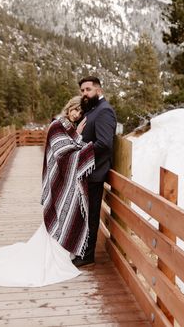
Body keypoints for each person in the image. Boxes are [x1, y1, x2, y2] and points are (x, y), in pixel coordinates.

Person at [0, 96, 95, 287]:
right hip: (60, 183)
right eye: (75, 110)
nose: (77, 114)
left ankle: (66, 248)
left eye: (81, 113)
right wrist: (90, 148)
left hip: (67, 183)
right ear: (69, 108)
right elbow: (62, 154)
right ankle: (60, 251)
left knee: (64, 219)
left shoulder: (69, 127)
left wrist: (79, 136)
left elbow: (73, 147)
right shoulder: (58, 125)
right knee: (58, 219)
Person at [72, 76, 117, 268]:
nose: (84, 94)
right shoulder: (92, 110)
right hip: (86, 172)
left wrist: (80, 151)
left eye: (88, 89)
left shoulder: (104, 111)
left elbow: (104, 143)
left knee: (91, 215)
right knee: (84, 214)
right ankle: (82, 250)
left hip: (95, 173)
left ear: (98, 90)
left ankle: (88, 255)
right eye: (82, 90)